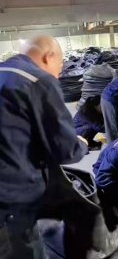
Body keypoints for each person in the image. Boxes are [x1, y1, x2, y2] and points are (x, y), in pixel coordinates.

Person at [0, 35, 89, 258]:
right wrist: (81, 144)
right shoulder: (38, 80)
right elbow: (65, 149)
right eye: (60, 66)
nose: (58, 74)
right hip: (13, 200)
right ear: (49, 57)